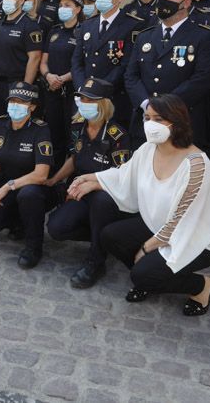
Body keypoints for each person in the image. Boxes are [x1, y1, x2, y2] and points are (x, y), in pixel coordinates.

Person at [68, 94, 210, 315]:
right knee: (110, 236)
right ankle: (152, 278)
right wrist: (92, 179)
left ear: (177, 122)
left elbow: (181, 220)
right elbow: (124, 175)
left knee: (142, 274)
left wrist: (146, 247)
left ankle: (202, 286)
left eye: (159, 119)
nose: (150, 124)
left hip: (194, 236)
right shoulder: (148, 149)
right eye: (147, 117)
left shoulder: (196, 165)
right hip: (157, 224)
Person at [46, 78, 131, 288]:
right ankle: (102, 237)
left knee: (101, 202)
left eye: (89, 100)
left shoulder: (117, 135)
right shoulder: (77, 125)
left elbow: (122, 176)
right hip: (81, 190)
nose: (83, 103)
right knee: (56, 228)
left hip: (106, 193)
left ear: (103, 104)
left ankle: (96, 260)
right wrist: (54, 180)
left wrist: (93, 184)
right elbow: (74, 158)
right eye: (81, 98)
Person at [0, 82, 54, 268]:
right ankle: (16, 221)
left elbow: (41, 174)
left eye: (21, 102)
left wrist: (8, 186)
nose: (15, 105)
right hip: (2, 185)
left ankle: (33, 246)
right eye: (12, 101)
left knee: (28, 194)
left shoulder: (40, 130)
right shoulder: (0, 125)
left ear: (32, 106)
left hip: (29, 187)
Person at [124, 0, 210, 147]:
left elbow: (203, 79)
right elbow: (131, 75)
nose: (162, 1)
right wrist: (146, 104)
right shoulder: (145, 36)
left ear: (186, 2)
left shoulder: (203, 36)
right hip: (144, 122)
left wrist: (164, 107)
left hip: (181, 122)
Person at [72, 0, 146, 130]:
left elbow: (126, 65)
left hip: (113, 97)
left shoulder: (132, 25)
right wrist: (82, 90)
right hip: (84, 98)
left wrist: (98, 91)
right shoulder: (87, 25)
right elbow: (77, 62)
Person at [0, 0, 43, 118]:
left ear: (21, 0)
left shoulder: (29, 25)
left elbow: (34, 58)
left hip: (16, 83)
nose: (6, 0)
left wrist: (25, 88)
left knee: (15, 121)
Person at [40, 0, 81, 166]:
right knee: (54, 135)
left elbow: (82, 64)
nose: (62, 8)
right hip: (51, 90)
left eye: (68, 5)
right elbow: (43, 62)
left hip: (72, 92)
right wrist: (48, 76)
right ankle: (53, 178)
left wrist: (62, 79)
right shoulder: (54, 31)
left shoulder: (83, 32)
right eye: (61, 5)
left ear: (78, 9)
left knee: (72, 136)